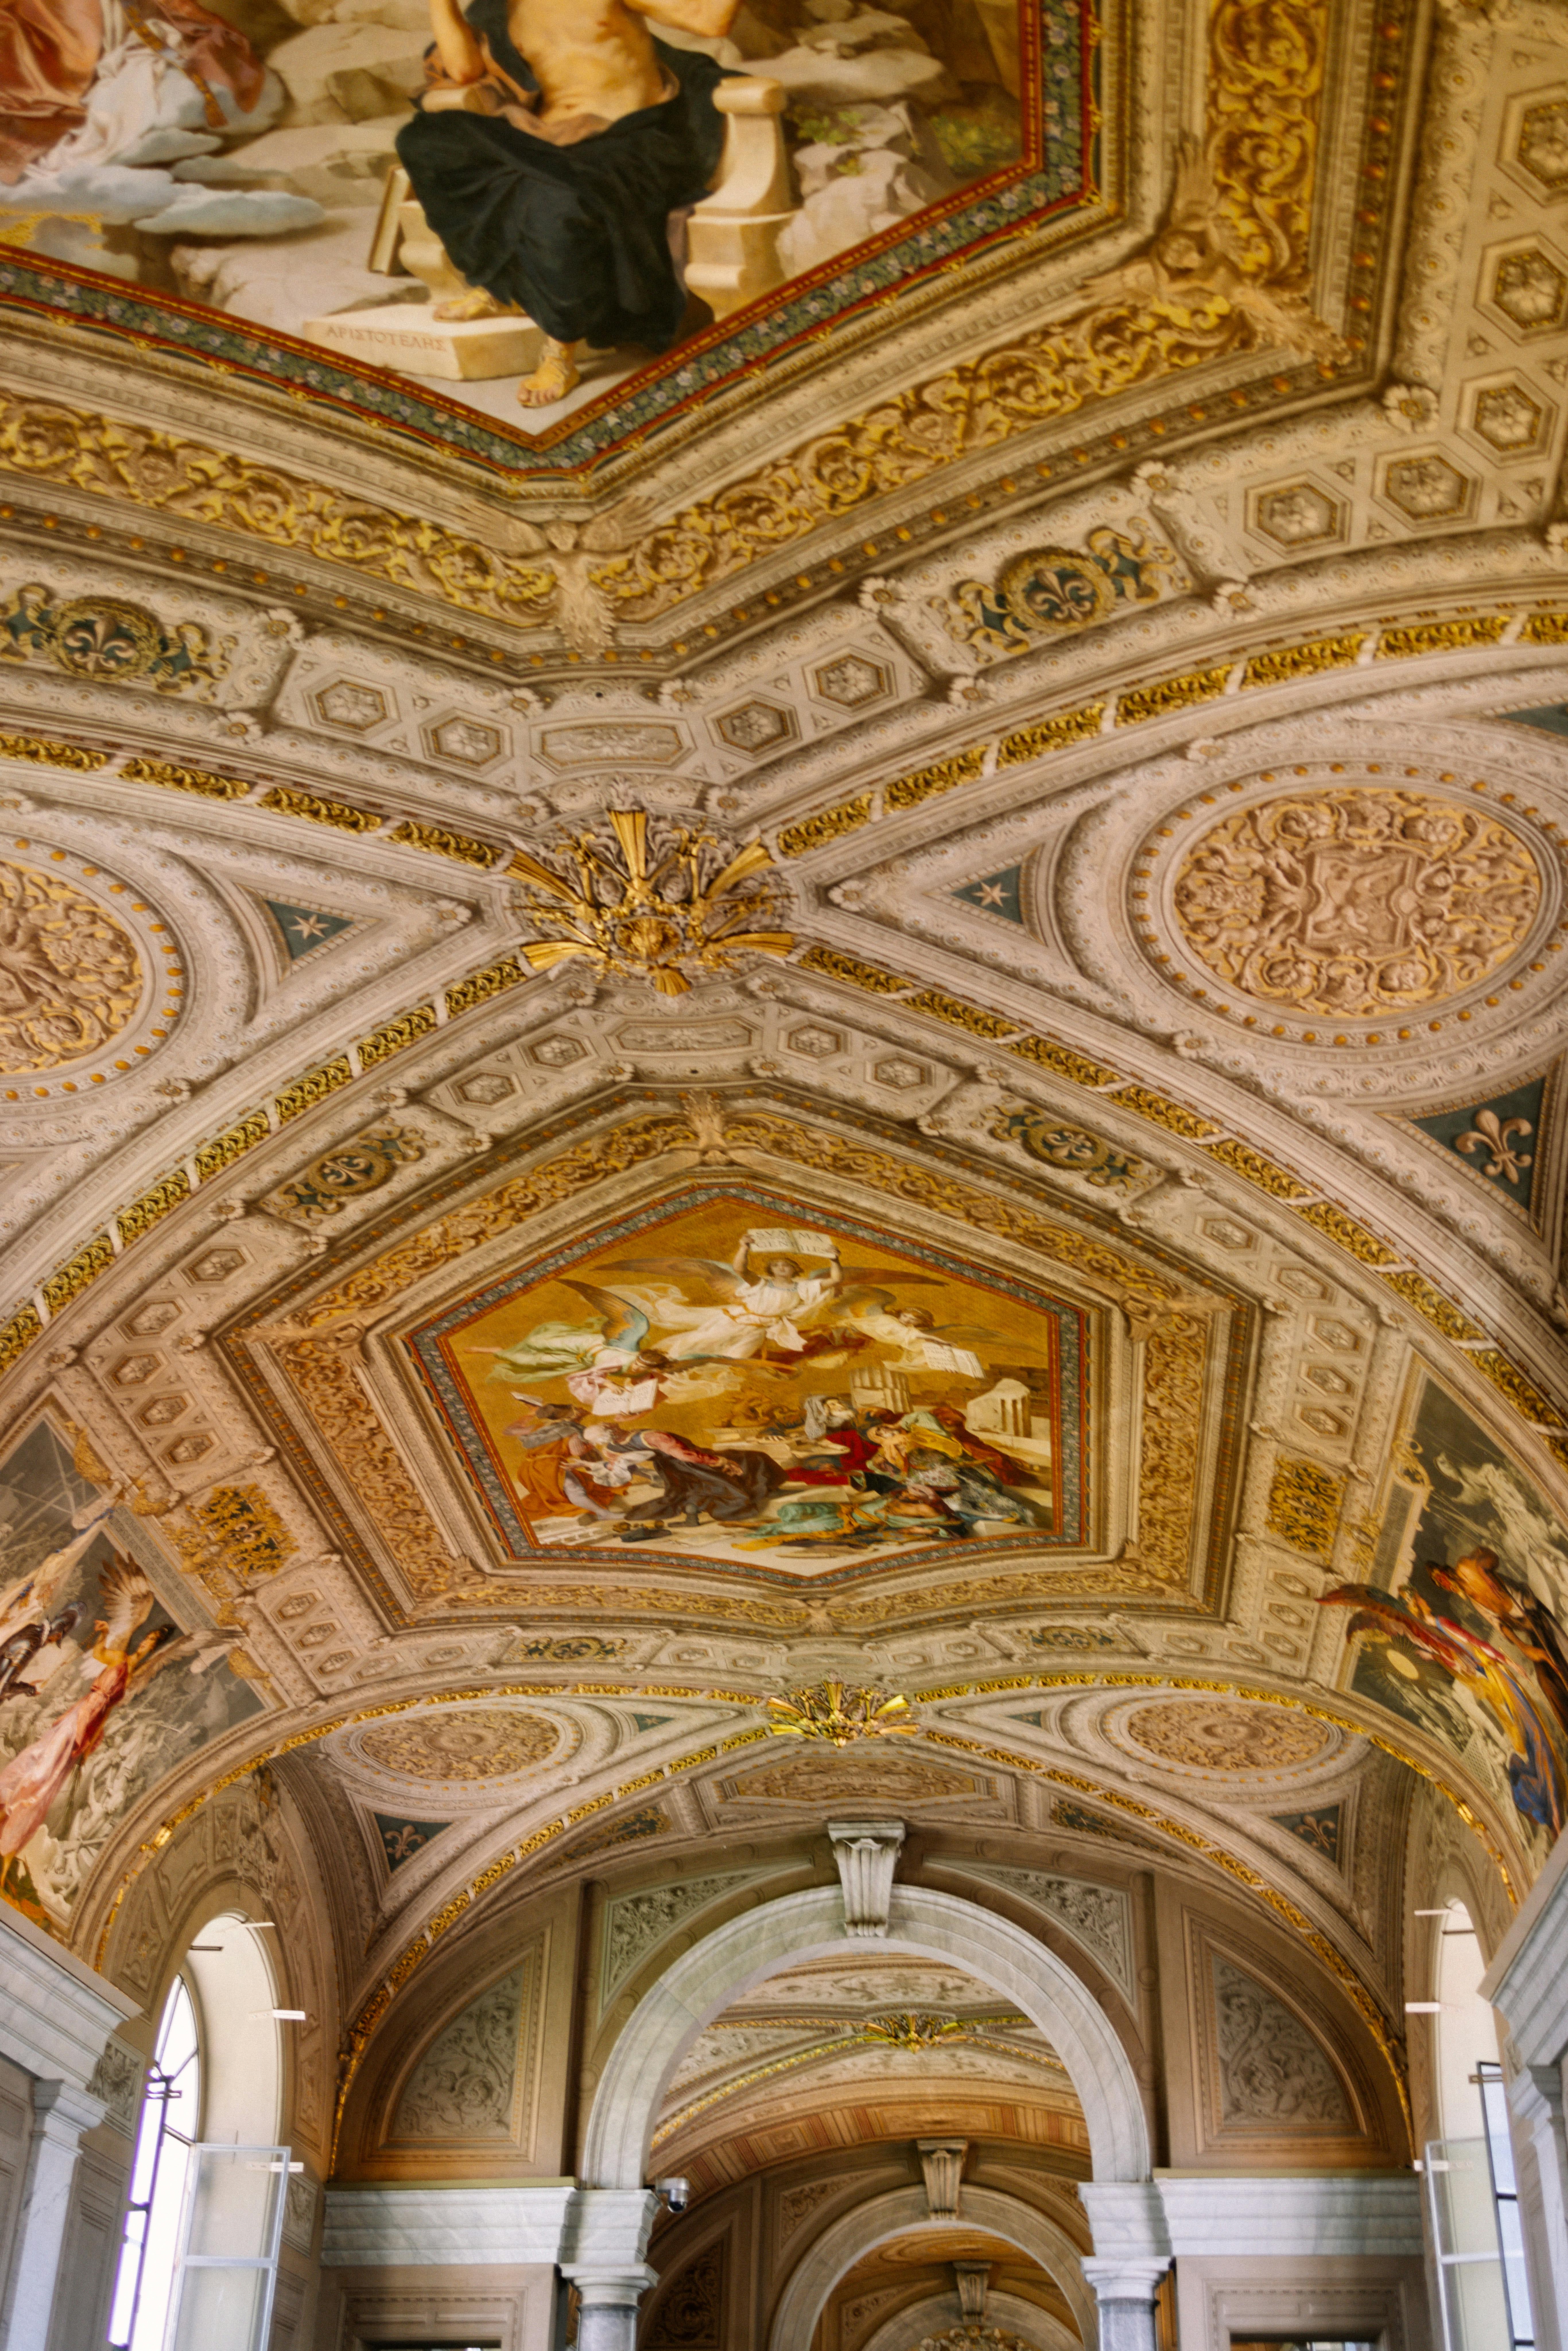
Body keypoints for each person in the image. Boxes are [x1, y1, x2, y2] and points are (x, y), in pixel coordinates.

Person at [398, 0, 739, 407]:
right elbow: (464, 72)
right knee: (425, 142)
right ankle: (506, 289)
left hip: (628, 137)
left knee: (557, 200)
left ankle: (560, 350)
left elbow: (711, 21)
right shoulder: (503, 6)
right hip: (551, 136)